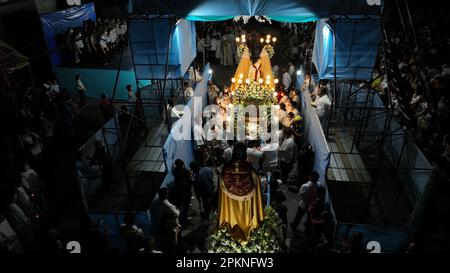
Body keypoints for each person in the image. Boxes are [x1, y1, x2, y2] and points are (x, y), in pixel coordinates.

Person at [156, 187, 180, 253]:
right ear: (166, 194)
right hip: (170, 224)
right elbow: (177, 213)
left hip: (163, 222)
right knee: (174, 237)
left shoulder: (159, 201)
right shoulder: (167, 204)